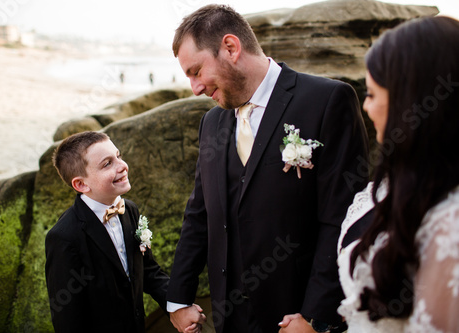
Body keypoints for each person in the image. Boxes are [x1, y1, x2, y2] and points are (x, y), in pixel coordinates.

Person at [166, 5, 369, 333]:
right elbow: (200, 215)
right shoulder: (212, 122)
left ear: (231, 48)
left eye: (196, 71)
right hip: (230, 318)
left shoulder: (327, 100)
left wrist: (316, 315)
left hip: (296, 319)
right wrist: (178, 299)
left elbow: (342, 217)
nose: (195, 88)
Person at [336, 16, 459, 332]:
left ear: (410, 103)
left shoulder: (451, 228)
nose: (365, 107)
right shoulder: (396, 184)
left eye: (373, 94)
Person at [45, 131, 176, 332]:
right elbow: (68, 318)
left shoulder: (129, 210)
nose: (122, 166)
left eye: (119, 156)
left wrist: (178, 307)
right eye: (107, 164)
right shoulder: (65, 237)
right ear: (81, 184)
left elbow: (148, 271)